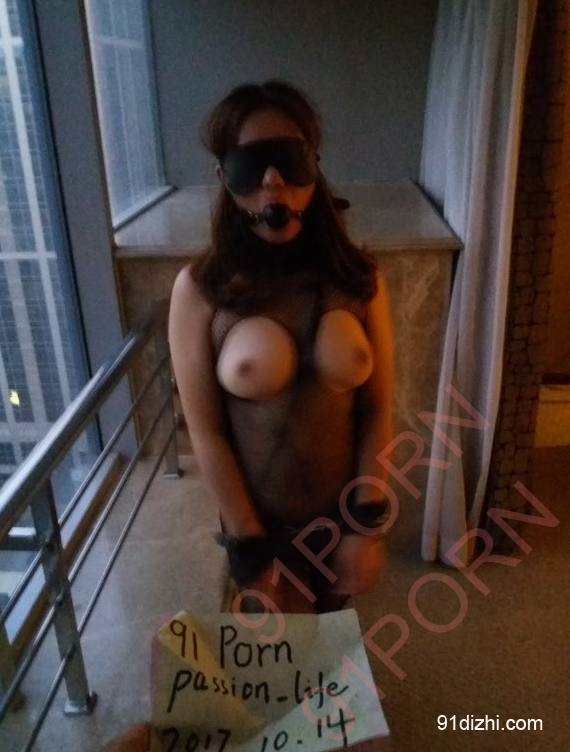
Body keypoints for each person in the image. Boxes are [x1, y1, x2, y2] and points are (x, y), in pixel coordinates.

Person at [168, 80, 394, 614]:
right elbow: (206, 431)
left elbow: (377, 407)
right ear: (225, 178)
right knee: (280, 661)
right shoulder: (201, 291)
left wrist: (365, 522)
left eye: (288, 159)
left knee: (331, 652)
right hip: (260, 530)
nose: (272, 180)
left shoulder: (359, 279)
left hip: (341, 522)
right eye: (252, 164)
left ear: (312, 166)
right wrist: (250, 548)